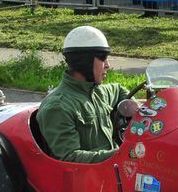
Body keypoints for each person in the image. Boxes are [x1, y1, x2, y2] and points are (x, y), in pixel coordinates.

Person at [37, 26, 130, 163]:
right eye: (103, 58)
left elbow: (119, 90)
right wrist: (124, 154)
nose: (107, 65)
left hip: (116, 172)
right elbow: (69, 157)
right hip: (88, 179)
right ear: (84, 62)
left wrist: (137, 109)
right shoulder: (58, 106)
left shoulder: (98, 92)